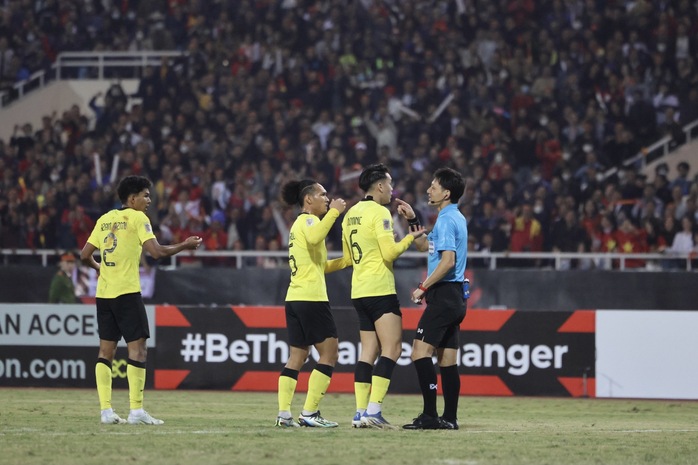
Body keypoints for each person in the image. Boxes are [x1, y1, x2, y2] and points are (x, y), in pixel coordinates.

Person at [80, 175, 202, 425]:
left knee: (106, 351)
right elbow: (156, 252)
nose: (149, 200)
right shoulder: (138, 218)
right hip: (126, 292)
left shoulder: (104, 219)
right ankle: (136, 411)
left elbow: (84, 255)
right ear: (132, 198)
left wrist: (98, 268)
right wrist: (185, 245)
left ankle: (106, 411)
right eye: (145, 195)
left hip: (104, 294)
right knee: (138, 349)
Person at [334, 163, 425, 429]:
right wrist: (412, 237)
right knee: (393, 349)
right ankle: (374, 410)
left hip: (359, 290)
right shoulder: (380, 213)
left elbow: (349, 258)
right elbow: (389, 254)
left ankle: (360, 413)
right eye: (390, 183)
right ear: (380, 186)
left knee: (368, 352)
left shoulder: (350, 214)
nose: (393, 189)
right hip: (380, 289)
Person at [275, 179, 347, 428]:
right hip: (311, 298)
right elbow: (317, 237)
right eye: (323, 194)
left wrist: (347, 261)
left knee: (298, 355)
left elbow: (320, 266)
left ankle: (284, 415)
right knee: (330, 354)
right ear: (309, 200)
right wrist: (336, 211)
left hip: (295, 297)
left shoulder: (298, 225)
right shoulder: (309, 221)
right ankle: (310, 413)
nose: (327, 199)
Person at [404, 167, 468, 430]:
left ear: (446, 193)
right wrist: (412, 220)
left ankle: (429, 415)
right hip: (454, 298)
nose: (429, 189)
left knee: (419, 353)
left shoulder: (445, 220)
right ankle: (450, 418)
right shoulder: (455, 218)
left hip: (443, 295)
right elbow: (425, 246)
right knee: (447, 360)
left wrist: (423, 286)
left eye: (434, 186)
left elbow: (447, 262)